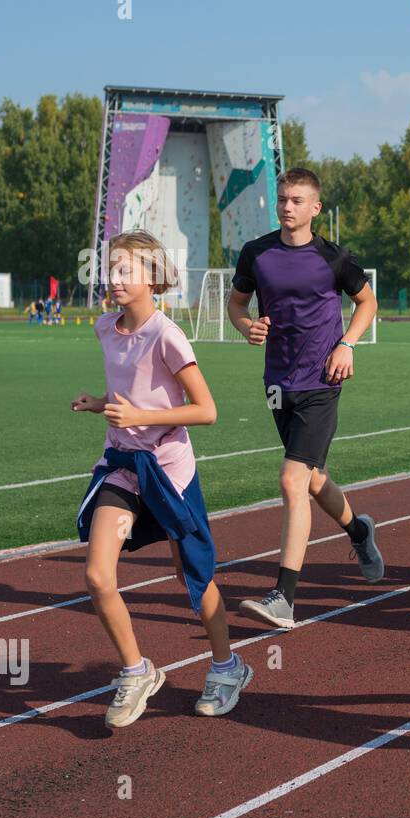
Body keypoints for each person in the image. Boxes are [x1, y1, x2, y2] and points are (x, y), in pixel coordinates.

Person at [72, 230, 252, 727]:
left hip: (169, 472)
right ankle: (136, 671)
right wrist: (99, 407)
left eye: (125, 270)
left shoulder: (167, 334)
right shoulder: (105, 328)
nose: (113, 278)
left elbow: (207, 410)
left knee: (190, 573)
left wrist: (137, 417)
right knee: (96, 574)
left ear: (151, 277)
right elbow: (128, 402)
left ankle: (226, 666)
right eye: (110, 268)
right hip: (122, 466)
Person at [227, 167, 384, 630]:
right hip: (278, 383)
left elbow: (368, 302)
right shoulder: (256, 253)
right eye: (282, 199)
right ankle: (359, 530)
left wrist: (347, 344)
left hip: (321, 382)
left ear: (315, 208)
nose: (287, 206)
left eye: (297, 200)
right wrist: (245, 326)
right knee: (314, 480)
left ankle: (284, 598)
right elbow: (237, 304)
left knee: (292, 481)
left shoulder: (334, 258)